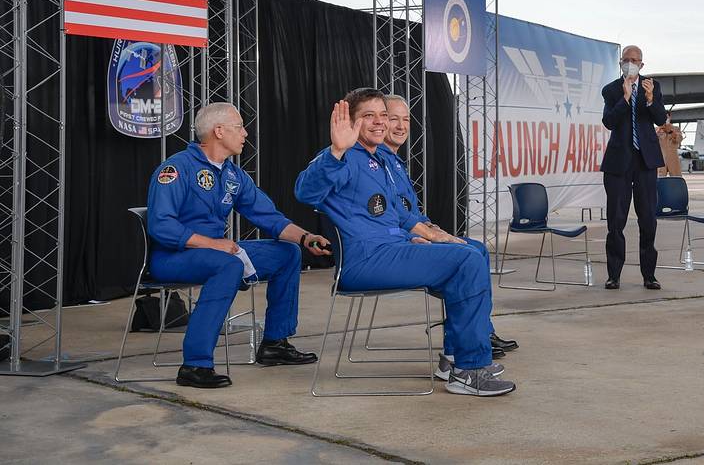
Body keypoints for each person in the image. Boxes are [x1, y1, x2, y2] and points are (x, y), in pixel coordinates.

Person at [295, 89, 515, 397]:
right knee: (466, 261)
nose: (379, 122)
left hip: (391, 250)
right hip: (365, 261)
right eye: (368, 116)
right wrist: (335, 150)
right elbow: (305, 192)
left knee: (466, 255)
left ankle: (457, 359)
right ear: (351, 122)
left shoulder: (377, 161)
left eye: (382, 115)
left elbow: (397, 214)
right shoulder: (343, 157)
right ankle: (468, 369)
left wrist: (424, 235)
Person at [147, 102, 329, 389]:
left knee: (287, 253)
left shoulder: (233, 175)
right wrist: (213, 244)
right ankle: (195, 364)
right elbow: (161, 226)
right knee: (228, 264)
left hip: (215, 252)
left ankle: (274, 344)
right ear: (218, 131)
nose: (245, 133)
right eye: (239, 126)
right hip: (173, 256)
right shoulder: (176, 168)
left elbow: (268, 217)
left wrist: (306, 238)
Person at [379, 93, 518, 370]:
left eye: (405, 120)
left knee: (476, 248)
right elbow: (385, 214)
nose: (401, 126)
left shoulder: (395, 161)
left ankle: (476, 335)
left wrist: (430, 226)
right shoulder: (377, 162)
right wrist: (417, 234)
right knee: (468, 256)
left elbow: (410, 210)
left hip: (410, 237)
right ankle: (466, 351)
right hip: (394, 249)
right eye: (393, 119)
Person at [600, 45, 668, 290]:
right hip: (619, 162)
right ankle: (614, 274)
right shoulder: (611, 90)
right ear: (621, 63)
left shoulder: (653, 87)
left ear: (642, 64)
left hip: (645, 161)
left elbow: (661, 119)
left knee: (648, 219)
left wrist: (650, 100)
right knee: (616, 220)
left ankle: (649, 275)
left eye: (635, 60)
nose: (631, 63)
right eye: (626, 60)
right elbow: (609, 121)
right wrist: (626, 98)